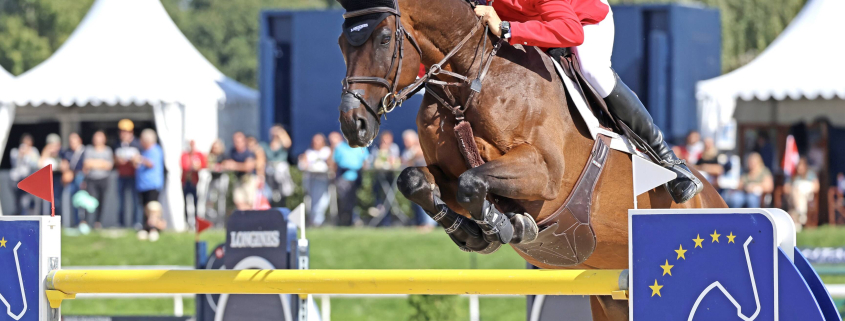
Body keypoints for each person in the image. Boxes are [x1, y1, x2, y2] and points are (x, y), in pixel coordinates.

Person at [474, 0, 702, 203]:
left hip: (584, 21)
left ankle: (668, 159)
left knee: (592, 71)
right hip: (540, 29)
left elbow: (571, 31)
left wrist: (507, 29)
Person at [401, 130, 435, 230]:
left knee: (428, 201)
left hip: (427, 180)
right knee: (417, 202)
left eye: (407, 140)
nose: (405, 143)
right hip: (416, 182)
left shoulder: (421, 147)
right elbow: (406, 162)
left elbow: (417, 154)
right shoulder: (409, 150)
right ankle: (420, 222)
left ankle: (429, 225)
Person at [134, 129, 165, 238]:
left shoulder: (155, 150)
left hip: (152, 184)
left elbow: (151, 164)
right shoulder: (144, 151)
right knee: (145, 209)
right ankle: (146, 228)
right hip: (142, 185)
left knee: (153, 208)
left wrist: (140, 159)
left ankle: (154, 229)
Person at [333, 138, 369, 226]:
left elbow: (366, 161)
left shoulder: (361, 147)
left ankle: (352, 220)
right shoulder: (340, 147)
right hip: (343, 177)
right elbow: (334, 162)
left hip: (356, 178)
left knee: (353, 201)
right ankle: (343, 221)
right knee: (343, 200)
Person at [368, 131, 401, 226]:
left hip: (390, 176)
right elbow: (373, 161)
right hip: (379, 176)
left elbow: (394, 161)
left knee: (388, 197)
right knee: (379, 197)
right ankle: (379, 220)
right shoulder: (376, 149)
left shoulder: (394, 148)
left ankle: (387, 221)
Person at [114, 119, 143, 229]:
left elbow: (141, 160)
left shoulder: (137, 144)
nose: (123, 134)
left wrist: (133, 160)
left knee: (135, 200)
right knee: (121, 201)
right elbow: (114, 160)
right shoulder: (117, 144)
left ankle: (136, 222)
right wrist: (118, 161)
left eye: (125, 131)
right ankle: (121, 223)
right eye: (121, 131)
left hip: (134, 176)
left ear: (131, 132)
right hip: (121, 175)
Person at [83, 131, 114, 229]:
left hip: (103, 179)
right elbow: (87, 163)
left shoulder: (108, 150)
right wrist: (101, 163)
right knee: (90, 201)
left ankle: (98, 222)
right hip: (91, 179)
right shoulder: (89, 149)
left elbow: (109, 165)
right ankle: (87, 222)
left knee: (101, 201)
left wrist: (94, 163)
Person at [299, 134, 332, 226]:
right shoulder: (309, 152)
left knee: (322, 200)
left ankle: (318, 220)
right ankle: (313, 220)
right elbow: (303, 164)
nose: (316, 143)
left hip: (323, 179)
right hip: (311, 178)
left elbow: (331, 164)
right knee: (311, 200)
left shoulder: (327, 151)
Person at [262, 125, 293, 206]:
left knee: (283, 192)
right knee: (271, 193)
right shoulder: (266, 145)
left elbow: (288, 143)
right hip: (270, 172)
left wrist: (280, 132)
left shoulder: (283, 145)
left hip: (281, 171)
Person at [784, 158, 819, 230]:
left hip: (807, 197)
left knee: (799, 191)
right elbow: (786, 188)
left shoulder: (811, 175)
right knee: (797, 192)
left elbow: (816, 187)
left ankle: (799, 215)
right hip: (794, 198)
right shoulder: (793, 176)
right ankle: (801, 214)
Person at [10, 134, 40, 215]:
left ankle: (27, 216)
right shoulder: (15, 151)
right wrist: (21, 154)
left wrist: (29, 154)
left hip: (29, 180)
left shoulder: (33, 151)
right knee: (18, 202)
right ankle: (19, 216)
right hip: (16, 180)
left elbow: (36, 164)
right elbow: (15, 164)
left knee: (27, 201)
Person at [61, 133, 86, 225]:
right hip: (70, 179)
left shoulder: (84, 151)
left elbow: (85, 166)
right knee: (72, 201)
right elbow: (64, 164)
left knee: (81, 200)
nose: (72, 143)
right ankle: (73, 222)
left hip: (80, 178)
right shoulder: (67, 152)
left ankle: (82, 222)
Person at [39, 134, 63, 215]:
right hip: (47, 179)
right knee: (46, 202)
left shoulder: (62, 154)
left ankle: (58, 220)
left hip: (58, 178)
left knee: (57, 201)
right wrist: (46, 152)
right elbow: (40, 164)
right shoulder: (46, 154)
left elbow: (64, 166)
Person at [181, 140, 207, 214]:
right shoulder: (185, 155)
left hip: (195, 181)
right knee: (185, 202)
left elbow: (203, 165)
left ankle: (196, 219)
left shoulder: (199, 154)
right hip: (186, 181)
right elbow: (184, 166)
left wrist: (196, 166)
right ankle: (187, 220)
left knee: (196, 201)